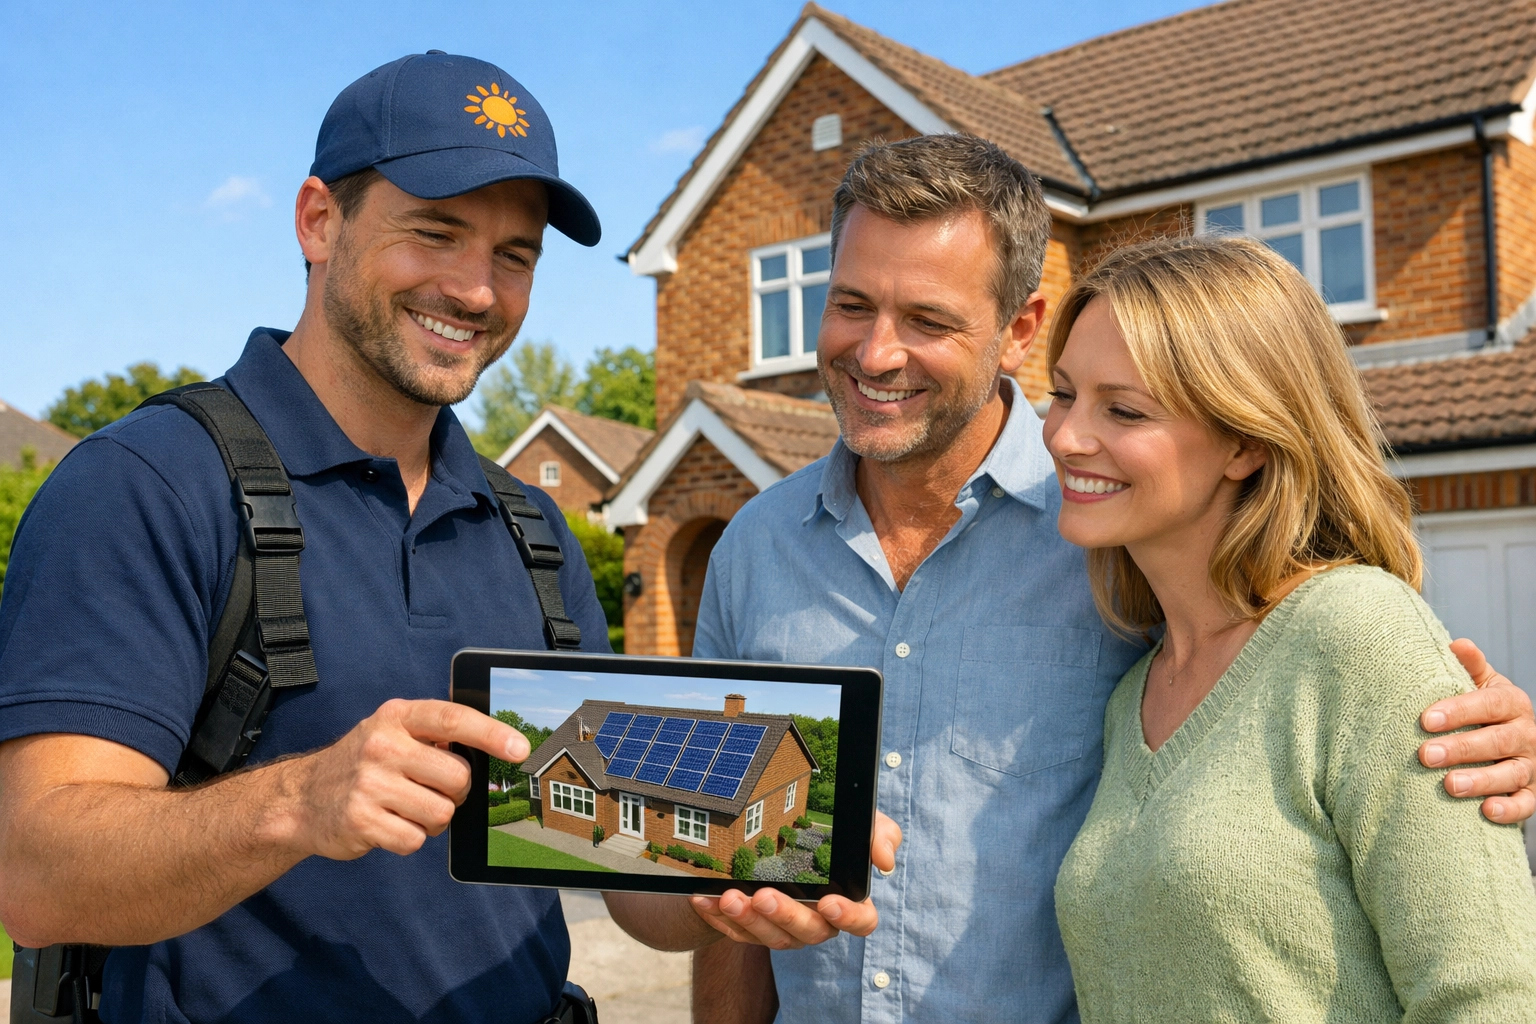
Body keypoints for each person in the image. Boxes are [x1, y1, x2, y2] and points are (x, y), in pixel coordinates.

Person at [612, 134, 1536, 1024]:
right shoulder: (754, 550)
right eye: (851, 304)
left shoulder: (1117, 530)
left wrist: (1455, 728)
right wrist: (712, 883)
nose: (877, 353)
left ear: (1018, 330)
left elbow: (1317, 676)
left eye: (929, 320)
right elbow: (674, 863)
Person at [0, 52, 616, 1023]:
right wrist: (300, 802)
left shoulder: (534, 532)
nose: (476, 290)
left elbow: (614, 859)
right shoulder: (147, 485)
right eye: (435, 232)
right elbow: (37, 874)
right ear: (318, 220)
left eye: (516, 254)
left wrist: (741, 890)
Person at [1048, 235, 1536, 1019]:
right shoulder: (1131, 694)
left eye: (1124, 410)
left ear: (1245, 440)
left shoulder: (1360, 635)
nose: (1065, 436)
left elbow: (1490, 996)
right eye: (1063, 394)